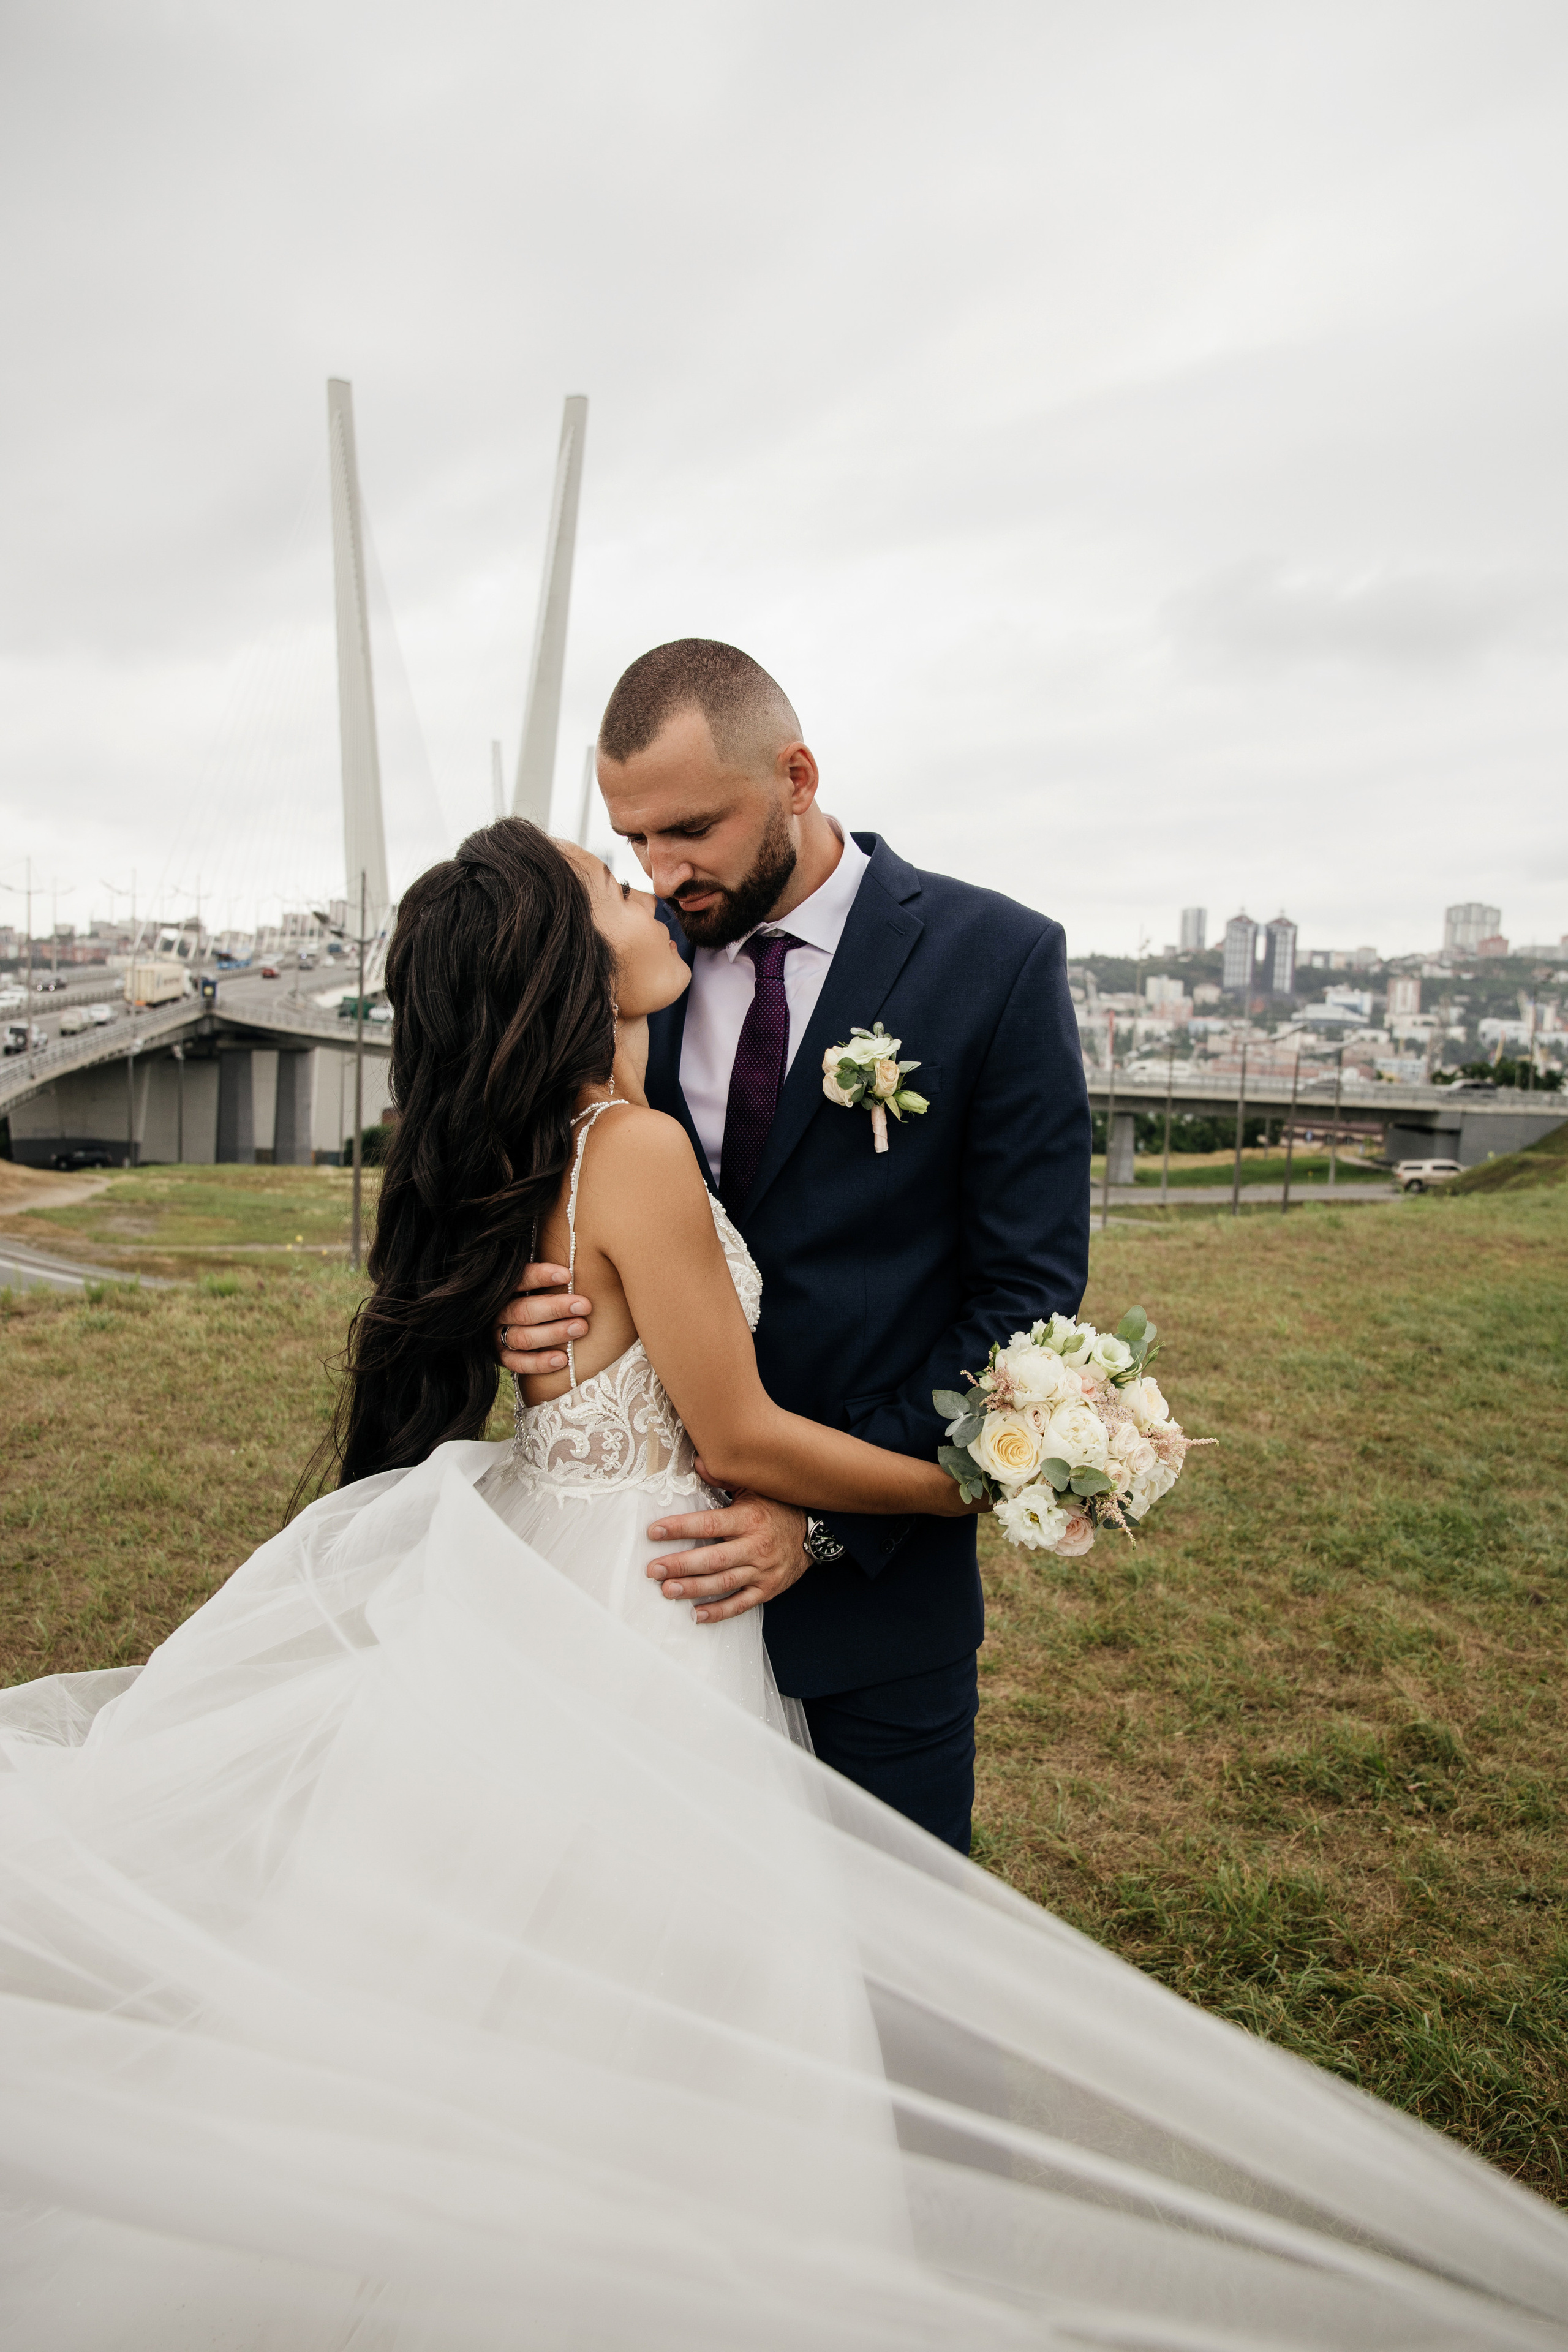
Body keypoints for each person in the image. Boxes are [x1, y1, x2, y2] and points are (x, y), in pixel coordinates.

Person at [2, 810, 1566, 2346]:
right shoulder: (630, 1149)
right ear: (563, 961)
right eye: (614, 882)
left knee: (534, 1979)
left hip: (563, 1564)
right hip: (649, 1596)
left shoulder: (552, 1140)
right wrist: (994, 1477)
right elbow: (737, 1430)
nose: (652, 893)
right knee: (673, 1982)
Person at [496, 639, 1090, 1851]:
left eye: (690, 830)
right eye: (634, 841)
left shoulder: (995, 961)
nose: (661, 873)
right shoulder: (625, 967)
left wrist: (826, 1525)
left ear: (796, 778)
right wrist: (512, 1299)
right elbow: (528, 1157)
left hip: (878, 1614)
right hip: (638, 1595)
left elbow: (1022, 1295)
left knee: (890, 1947)